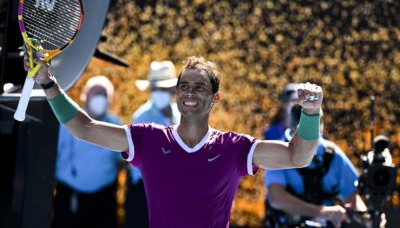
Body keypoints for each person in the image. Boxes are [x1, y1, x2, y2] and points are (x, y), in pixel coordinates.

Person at [27, 54, 323, 228]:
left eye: (199, 86)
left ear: (215, 97)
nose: (190, 92)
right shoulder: (148, 139)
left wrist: (311, 114)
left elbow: (298, 156)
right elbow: (84, 129)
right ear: (177, 93)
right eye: (184, 86)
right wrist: (49, 84)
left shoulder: (234, 148)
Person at [264, 104, 368, 228]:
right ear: (293, 129)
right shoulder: (276, 153)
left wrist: (367, 218)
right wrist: (322, 211)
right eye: (308, 134)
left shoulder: (333, 155)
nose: (313, 141)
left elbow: (352, 198)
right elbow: (277, 198)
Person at [52, 76, 122, 228]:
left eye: (104, 95)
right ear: (85, 96)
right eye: (96, 93)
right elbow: (54, 154)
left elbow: (121, 161)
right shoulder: (67, 121)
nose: (100, 98)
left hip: (103, 198)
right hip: (69, 195)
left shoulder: (116, 124)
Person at [125, 60, 180, 228]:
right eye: (156, 89)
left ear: (172, 90)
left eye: (163, 88)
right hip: (145, 189)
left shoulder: (180, 115)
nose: (159, 93)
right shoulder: (141, 117)